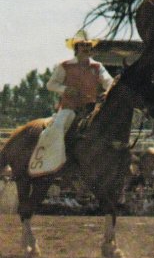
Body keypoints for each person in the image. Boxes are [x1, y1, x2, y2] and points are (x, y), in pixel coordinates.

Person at [28, 31, 114, 177]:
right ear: (76, 48)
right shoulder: (65, 65)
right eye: (82, 45)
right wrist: (65, 89)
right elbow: (51, 84)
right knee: (58, 127)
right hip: (69, 108)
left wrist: (108, 91)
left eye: (88, 45)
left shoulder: (97, 67)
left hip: (91, 108)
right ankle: (50, 161)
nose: (86, 48)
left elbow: (109, 82)